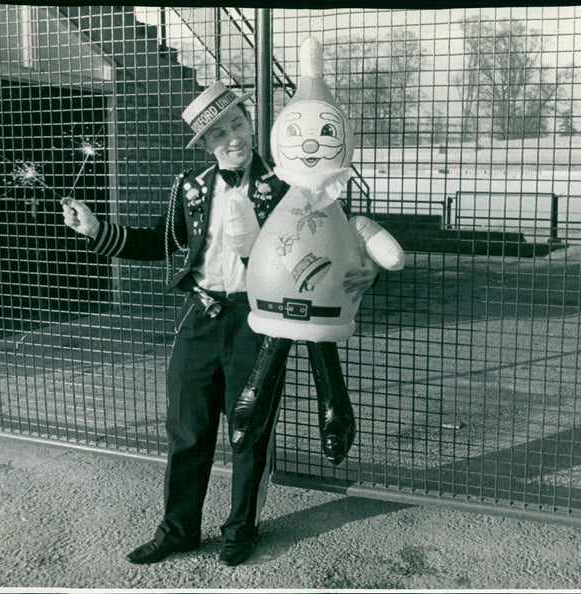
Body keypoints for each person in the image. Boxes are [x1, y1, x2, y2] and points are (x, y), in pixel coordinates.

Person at [61, 82, 376, 566]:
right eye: (217, 134)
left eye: (236, 125)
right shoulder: (191, 185)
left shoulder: (290, 183)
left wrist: (364, 267)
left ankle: (239, 530)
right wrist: (97, 229)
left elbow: (337, 240)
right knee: (187, 429)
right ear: (206, 145)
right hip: (202, 316)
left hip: (260, 322)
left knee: (249, 432)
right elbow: (160, 242)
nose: (232, 139)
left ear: (250, 123)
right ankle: (178, 530)